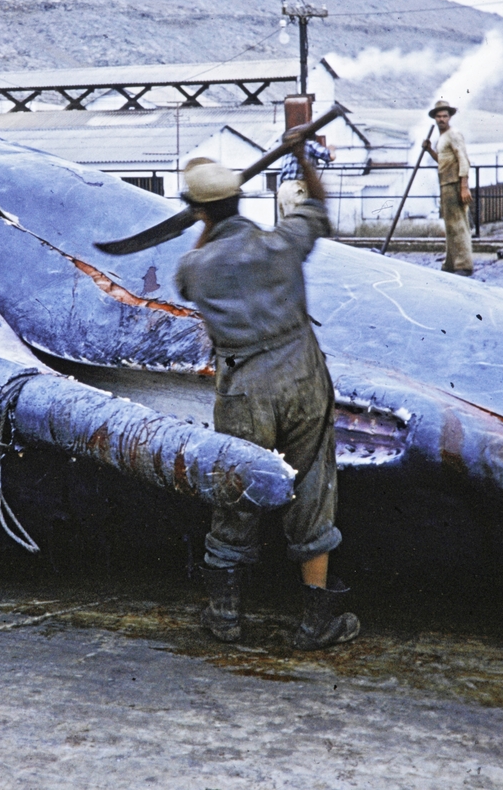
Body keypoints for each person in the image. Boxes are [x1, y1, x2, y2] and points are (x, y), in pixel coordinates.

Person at [175, 130, 360, 651]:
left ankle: (226, 617)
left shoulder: (194, 268)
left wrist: (203, 223)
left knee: (236, 493)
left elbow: (196, 264)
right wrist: (301, 151)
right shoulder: (281, 243)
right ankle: (316, 621)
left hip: (243, 390)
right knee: (313, 489)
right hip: (303, 376)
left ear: (198, 213)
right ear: (242, 199)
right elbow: (319, 206)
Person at [421, 99, 473, 275]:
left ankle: (464, 265)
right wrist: (429, 150)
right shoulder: (442, 138)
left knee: (458, 225)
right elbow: (443, 162)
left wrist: (464, 186)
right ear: (435, 118)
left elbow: (463, 160)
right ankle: (451, 263)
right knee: (450, 226)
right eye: (438, 116)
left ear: (449, 117)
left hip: (454, 184)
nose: (442, 119)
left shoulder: (453, 134)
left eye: (445, 116)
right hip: (445, 183)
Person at [276, 135, 333, 218]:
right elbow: (330, 156)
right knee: (298, 223)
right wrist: (331, 149)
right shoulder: (310, 144)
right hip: (297, 187)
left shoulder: (288, 149)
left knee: (286, 223)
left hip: (282, 189)